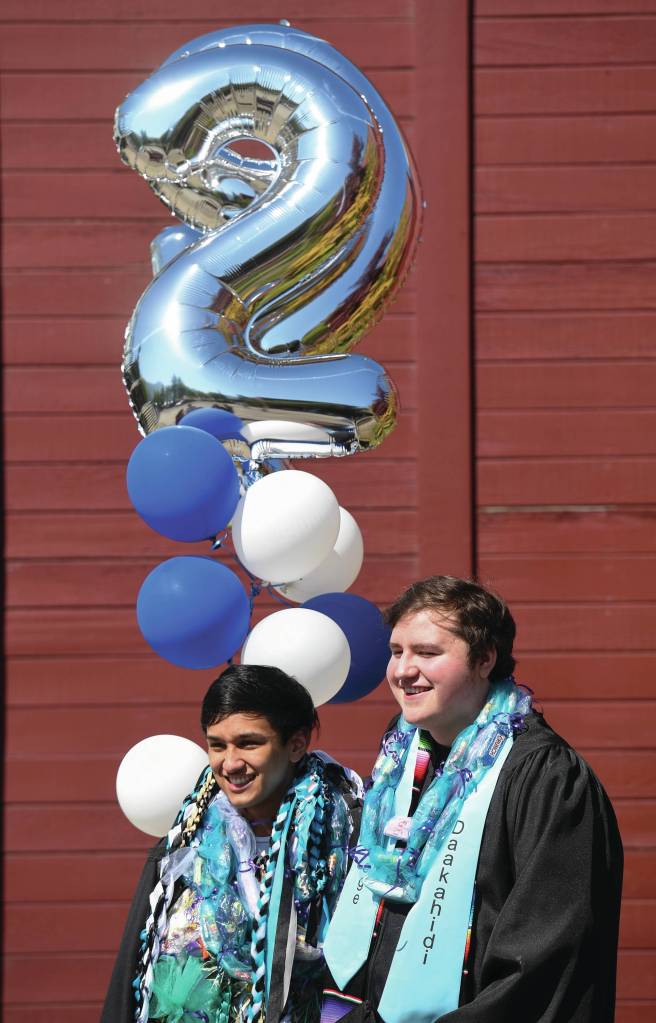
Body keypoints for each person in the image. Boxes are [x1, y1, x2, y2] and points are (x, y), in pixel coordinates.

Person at [323, 575, 623, 1023]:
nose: (403, 670)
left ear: (485, 659)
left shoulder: (545, 778)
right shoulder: (401, 756)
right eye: (396, 651)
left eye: (426, 653)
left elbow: (543, 962)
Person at [102, 663, 361, 1023]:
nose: (230, 763)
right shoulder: (182, 849)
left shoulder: (344, 847)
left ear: (296, 744)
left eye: (249, 743)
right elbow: (126, 987)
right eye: (217, 745)